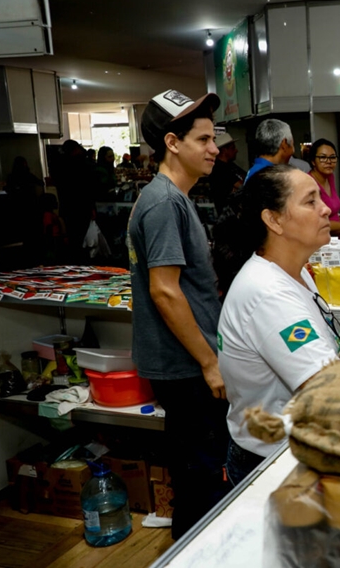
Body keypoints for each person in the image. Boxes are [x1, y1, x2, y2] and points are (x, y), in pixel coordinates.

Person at [213, 163, 340, 485]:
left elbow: (328, 349)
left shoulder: (293, 273)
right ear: (274, 220)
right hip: (272, 462)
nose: (326, 209)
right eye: (310, 201)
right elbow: (324, 388)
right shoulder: (268, 294)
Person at [127, 88, 230, 540]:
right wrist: (209, 361)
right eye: (204, 140)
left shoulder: (174, 197)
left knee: (199, 473)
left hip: (188, 363)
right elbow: (165, 292)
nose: (214, 149)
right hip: (185, 367)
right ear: (172, 143)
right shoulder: (165, 202)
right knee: (200, 479)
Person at [246, 118, 294, 182]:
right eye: (292, 143)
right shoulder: (268, 176)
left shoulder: (257, 171)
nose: (293, 150)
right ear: (284, 144)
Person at [208, 131, 246, 211]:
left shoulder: (231, 165)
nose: (236, 150)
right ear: (224, 150)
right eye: (233, 148)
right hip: (229, 215)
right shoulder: (219, 169)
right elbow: (242, 186)